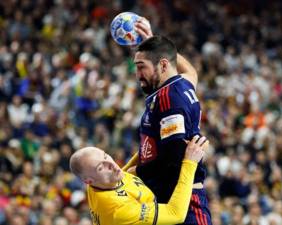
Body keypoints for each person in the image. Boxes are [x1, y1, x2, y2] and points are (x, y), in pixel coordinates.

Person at [123, 18, 212, 225]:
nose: (137, 75)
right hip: (167, 197)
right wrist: (155, 41)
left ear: (163, 64)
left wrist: (136, 172)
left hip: (181, 201)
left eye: (141, 67)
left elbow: (173, 157)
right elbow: (192, 71)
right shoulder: (182, 83)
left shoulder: (168, 98)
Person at [69, 135, 209, 225]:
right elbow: (175, 214)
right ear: (89, 181)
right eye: (101, 167)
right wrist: (190, 162)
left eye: (105, 156)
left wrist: (150, 139)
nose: (112, 165)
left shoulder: (98, 183)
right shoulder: (117, 210)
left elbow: (124, 173)